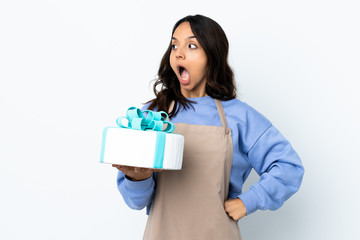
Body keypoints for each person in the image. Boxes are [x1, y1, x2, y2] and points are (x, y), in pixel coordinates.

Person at [113, 14, 304, 239]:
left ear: (212, 55)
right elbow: (136, 202)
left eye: (191, 45)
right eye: (174, 45)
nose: (179, 53)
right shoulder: (152, 115)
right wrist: (138, 178)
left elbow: (289, 167)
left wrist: (248, 201)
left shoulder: (239, 117)